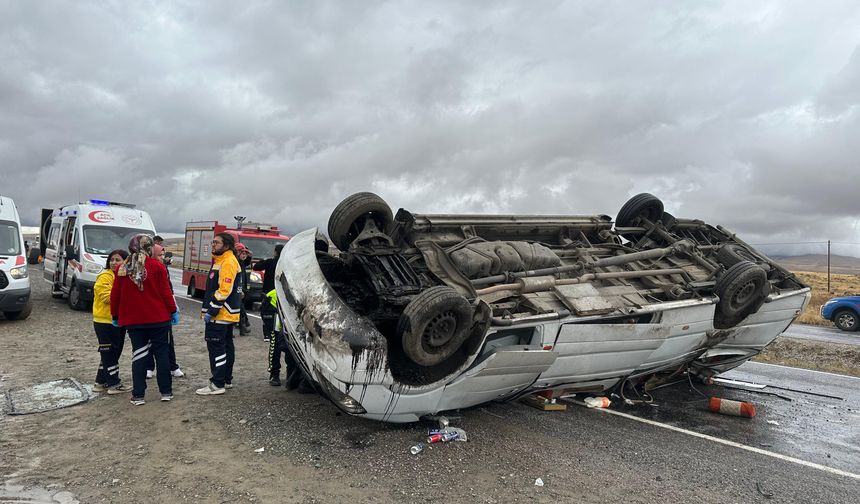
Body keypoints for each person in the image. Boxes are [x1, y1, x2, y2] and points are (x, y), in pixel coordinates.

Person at [111, 234, 180, 405]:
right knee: (162, 354)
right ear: (149, 247)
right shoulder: (157, 266)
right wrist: (172, 311)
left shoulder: (122, 268)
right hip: (158, 318)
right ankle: (166, 392)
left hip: (133, 320)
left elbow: (116, 295)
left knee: (139, 354)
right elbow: (165, 293)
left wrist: (115, 315)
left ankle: (139, 394)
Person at [196, 232, 241, 396]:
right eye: (213, 242)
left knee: (217, 348)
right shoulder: (222, 260)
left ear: (227, 246)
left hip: (220, 315)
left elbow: (224, 290)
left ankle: (217, 383)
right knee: (226, 347)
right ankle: (226, 379)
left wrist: (211, 311)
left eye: (216, 242)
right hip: (224, 314)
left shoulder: (227, 262)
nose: (213, 245)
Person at [144, 244, 184, 379]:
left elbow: (168, 289)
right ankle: (149, 367)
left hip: (163, 311)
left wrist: (173, 307)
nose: (162, 258)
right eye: (159, 255)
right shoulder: (145, 268)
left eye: (163, 255)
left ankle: (172, 366)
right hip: (149, 309)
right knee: (148, 340)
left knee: (167, 340)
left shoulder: (163, 268)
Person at [92, 249, 129, 394]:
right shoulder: (105, 277)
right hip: (104, 321)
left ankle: (100, 382)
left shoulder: (122, 276)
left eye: (118, 260)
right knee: (109, 353)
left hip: (118, 320)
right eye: (112, 259)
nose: (114, 263)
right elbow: (106, 298)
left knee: (113, 352)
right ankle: (114, 384)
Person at [252, 244, 283, 342]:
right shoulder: (286, 263)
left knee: (266, 312)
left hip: (268, 292)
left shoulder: (270, 262)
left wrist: (262, 260)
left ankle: (267, 335)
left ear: (275, 252)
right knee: (279, 313)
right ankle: (277, 332)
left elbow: (256, 267)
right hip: (280, 292)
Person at [235, 243, 253, 336]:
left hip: (242, 288)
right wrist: (240, 289)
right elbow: (236, 278)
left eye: (245, 254)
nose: (244, 256)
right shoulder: (235, 263)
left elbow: (247, 262)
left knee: (240, 309)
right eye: (242, 253)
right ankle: (244, 325)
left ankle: (243, 327)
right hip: (238, 289)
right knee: (240, 309)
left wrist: (249, 255)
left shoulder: (242, 263)